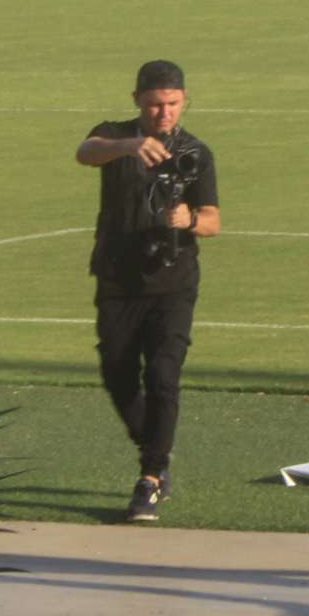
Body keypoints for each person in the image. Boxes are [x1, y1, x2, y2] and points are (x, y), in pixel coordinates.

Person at [75, 59, 221, 524]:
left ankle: (151, 476)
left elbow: (214, 219)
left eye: (173, 104)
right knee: (117, 372)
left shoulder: (196, 152)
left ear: (184, 101)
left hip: (172, 281)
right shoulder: (116, 137)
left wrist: (190, 221)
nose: (164, 113)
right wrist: (131, 146)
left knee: (163, 373)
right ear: (137, 99)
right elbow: (85, 151)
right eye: (156, 104)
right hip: (118, 279)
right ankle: (155, 443)